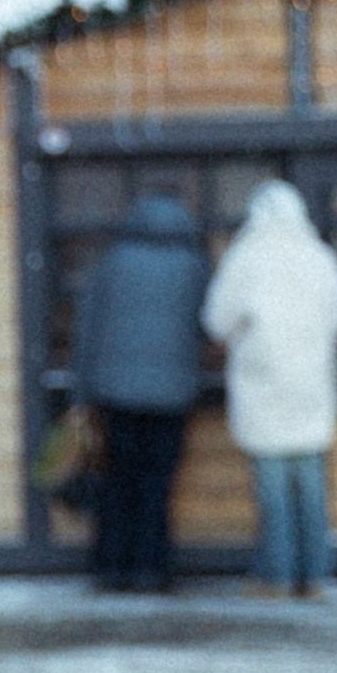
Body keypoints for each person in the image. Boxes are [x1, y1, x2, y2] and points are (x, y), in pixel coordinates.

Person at [202, 178, 337, 596]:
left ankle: (277, 575)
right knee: (310, 488)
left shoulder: (246, 257)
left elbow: (216, 319)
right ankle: (315, 575)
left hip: (262, 388)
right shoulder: (318, 257)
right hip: (310, 389)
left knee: (272, 492)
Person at [74, 189, 210, 594]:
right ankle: (152, 569)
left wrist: (81, 391)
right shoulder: (195, 265)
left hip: (116, 394)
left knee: (117, 482)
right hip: (172, 395)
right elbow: (210, 327)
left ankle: (111, 568)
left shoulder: (111, 262)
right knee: (156, 485)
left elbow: (87, 328)